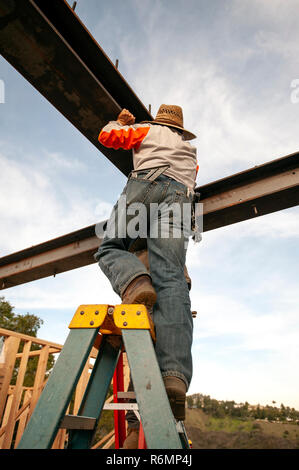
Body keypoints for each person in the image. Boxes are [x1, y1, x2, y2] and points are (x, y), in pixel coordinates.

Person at [94, 104, 198, 447]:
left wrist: (120, 122)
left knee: (110, 247)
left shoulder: (145, 131)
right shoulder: (190, 152)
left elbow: (109, 137)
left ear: (157, 122)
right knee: (171, 278)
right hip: (183, 196)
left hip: (146, 185)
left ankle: (135, 282)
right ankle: (174, 378)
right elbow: (193, 177)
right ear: (182, 131)